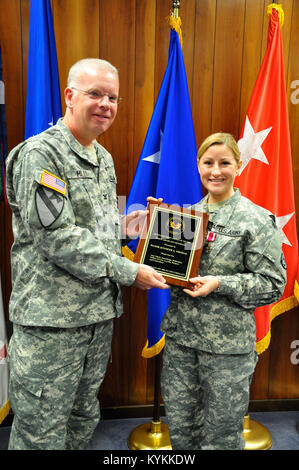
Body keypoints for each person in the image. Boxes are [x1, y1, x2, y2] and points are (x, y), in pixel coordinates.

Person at [5, 58, 168, 450]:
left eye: (112, 97)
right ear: (69, 96)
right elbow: (58, 238)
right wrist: (130, 271)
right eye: (95, 94)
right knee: (40, 433)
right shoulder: (40, 156)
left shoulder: (102, 157)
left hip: (96, 318)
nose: (106, 104)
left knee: (81, 420)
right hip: (50, 325)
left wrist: (127, 226)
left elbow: (93, 228)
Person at [160, 132, 287, 450]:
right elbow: (166, 272)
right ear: (198, 165)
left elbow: (273, 284)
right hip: (181, 345)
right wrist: (154, 228)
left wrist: (221, 283)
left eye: (224, 163)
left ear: (238, 166)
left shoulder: (255, 220)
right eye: (208, 163)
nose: (215, 171)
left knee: (221, 437)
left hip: (227, 352)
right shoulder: (182, 219)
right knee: (181, 431)